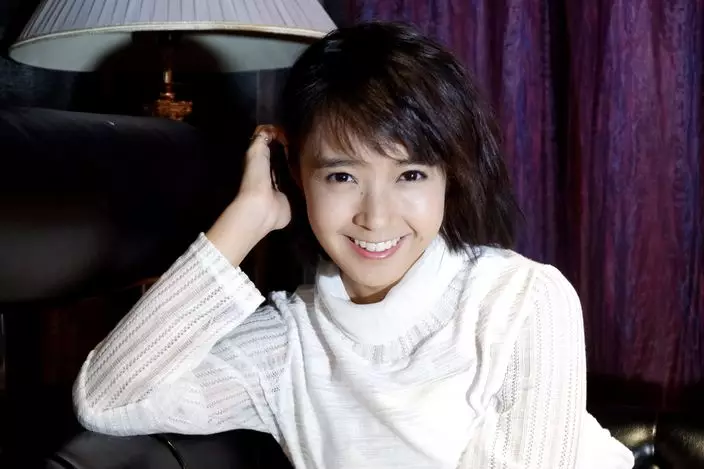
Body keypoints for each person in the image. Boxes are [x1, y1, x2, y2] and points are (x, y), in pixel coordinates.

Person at [73, 21, 634, 469]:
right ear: (296, 171)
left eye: (410, 175)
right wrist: (247, 218)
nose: (376, 216)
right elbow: (107, 399)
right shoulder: (288, 344)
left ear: (450, 175)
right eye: (342, 176)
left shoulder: (520, 300)